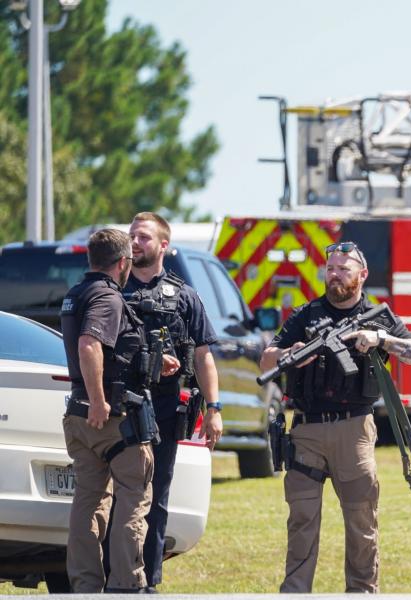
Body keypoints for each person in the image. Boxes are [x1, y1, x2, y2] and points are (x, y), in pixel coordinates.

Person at [260, 241, 411, 594]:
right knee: (302, 520)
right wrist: (294, 353)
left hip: (355, 430)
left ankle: (362, 591)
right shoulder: (307, 315)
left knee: (361, 522)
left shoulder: (379, 316)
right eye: (330, 268)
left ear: (362, 275)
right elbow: (266, 361)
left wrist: (381, 338)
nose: (334, 275)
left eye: (343, 269)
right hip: (306, 430)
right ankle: (295, 592)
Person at [60, 229, 178, 593]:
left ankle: (85, 586)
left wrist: (152, 364)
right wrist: (100, 400)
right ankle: (127, 585)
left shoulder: (75, 293)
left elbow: (111, 354)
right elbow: (90, 345)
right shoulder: (107, 298)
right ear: (123, 262)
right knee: (133, 498)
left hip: (80, 417)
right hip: (113, 419)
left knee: (88, 502)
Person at [110, 212, 222, 593]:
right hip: (117, 407)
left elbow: (205, 355)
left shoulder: (184, 296)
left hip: (163, 408)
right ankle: (112, 578)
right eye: (131, 237)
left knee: (156, 497)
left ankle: (148, 581)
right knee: (113, 497)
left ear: (163, 246)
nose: (135, 243)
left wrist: (214, 409)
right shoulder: (112, 293)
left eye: (143, 237)